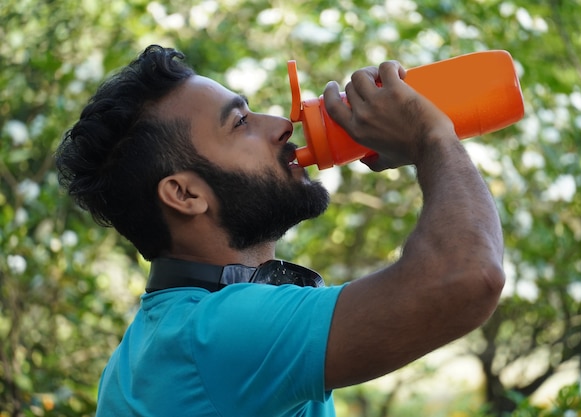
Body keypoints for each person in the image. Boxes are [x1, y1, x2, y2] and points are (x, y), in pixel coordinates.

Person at [56, 45, 505, 416]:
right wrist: (431, 136)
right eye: (240, 124)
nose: (282, 125)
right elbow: (467, 276)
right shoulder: (219, 332)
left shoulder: (150, 346)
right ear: (185, 194)